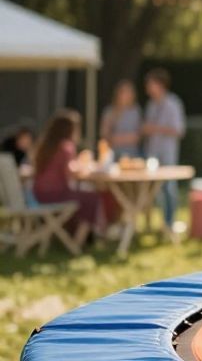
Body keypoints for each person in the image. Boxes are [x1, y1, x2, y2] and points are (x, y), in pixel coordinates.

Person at [30, 110, 100, 245]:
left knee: (82, 196)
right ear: (69, 130)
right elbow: (71, 173)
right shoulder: (66, 146)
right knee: (92, 198)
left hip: (38, 195)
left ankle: (72, 236)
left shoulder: (44, 146)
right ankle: (78, 241)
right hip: (55, 195)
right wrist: (84, 166)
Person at [142, 68, 186, 229]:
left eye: (150, 84)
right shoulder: (151, 105)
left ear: (160, 84)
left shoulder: (173, 104)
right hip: (152, 152)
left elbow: (179, 130)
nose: (147, 87)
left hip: (167, 152)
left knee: (168, 187)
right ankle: (153, 224)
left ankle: (170, 223)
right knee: (153, 190)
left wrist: (155, 128)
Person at [100, 79, 143, 160]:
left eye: (128, 92)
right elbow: (104, 134)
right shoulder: (109, 111)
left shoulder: (136, 111)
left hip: (132, 155)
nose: (125, 95)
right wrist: (126, 138)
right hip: (113, 155)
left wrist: (118, 138)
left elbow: (138, 136)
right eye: (123, 92)